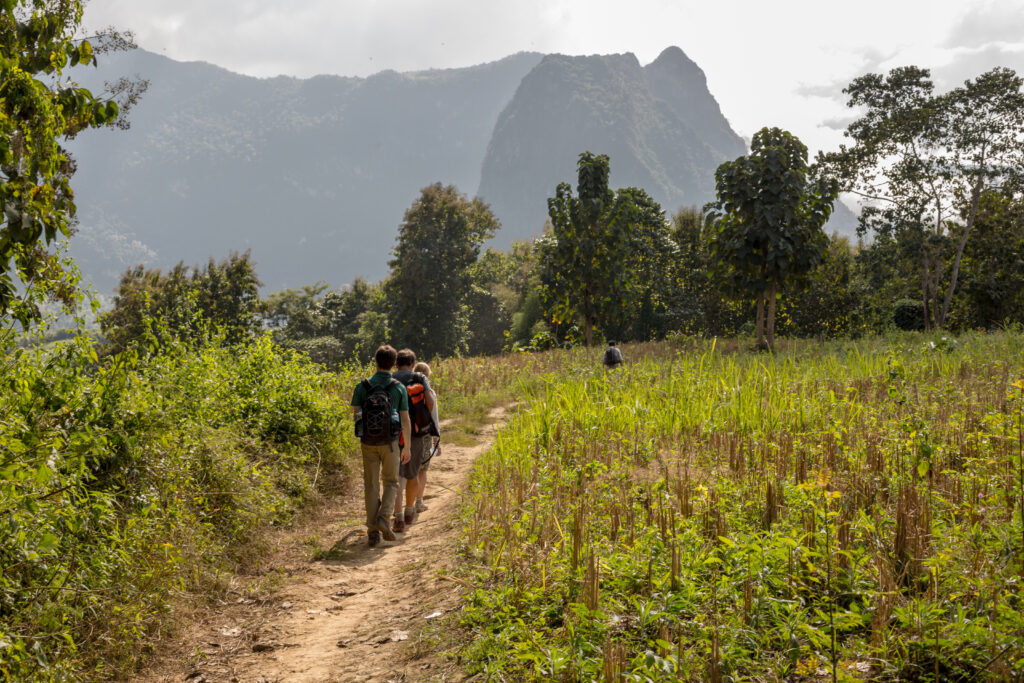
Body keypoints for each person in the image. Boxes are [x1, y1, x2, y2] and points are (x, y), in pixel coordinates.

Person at [351, 345, 411, 548]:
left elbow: (355, 414)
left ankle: (372, 532)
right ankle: (384, 518)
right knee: (391, 482)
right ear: (393, 364)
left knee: (371, 485)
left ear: (375, 361)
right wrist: (407, 446)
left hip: (368, 442)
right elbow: (405, 419)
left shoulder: (362, 386)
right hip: (391, 442)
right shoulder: (398, 387)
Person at [390, 349, 436, 532]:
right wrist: (424, 417)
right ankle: (409, 511)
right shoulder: (420, 377)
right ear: (413, 363)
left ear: (396, 363)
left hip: (394, 432)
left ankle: (398, 517)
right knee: (412, 472)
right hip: (416, 432)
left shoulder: (390, 378)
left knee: (397, 475)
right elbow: (430, 400)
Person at [412, 361, 440, 513]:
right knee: (422, 470)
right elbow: (434, 417)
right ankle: (419, 502)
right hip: (426, 434)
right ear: (427, 375)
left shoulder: (407, 390)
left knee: (412, 470)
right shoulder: (430, 393)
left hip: (410, 434)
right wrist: (437, 439)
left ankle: (408, 502)